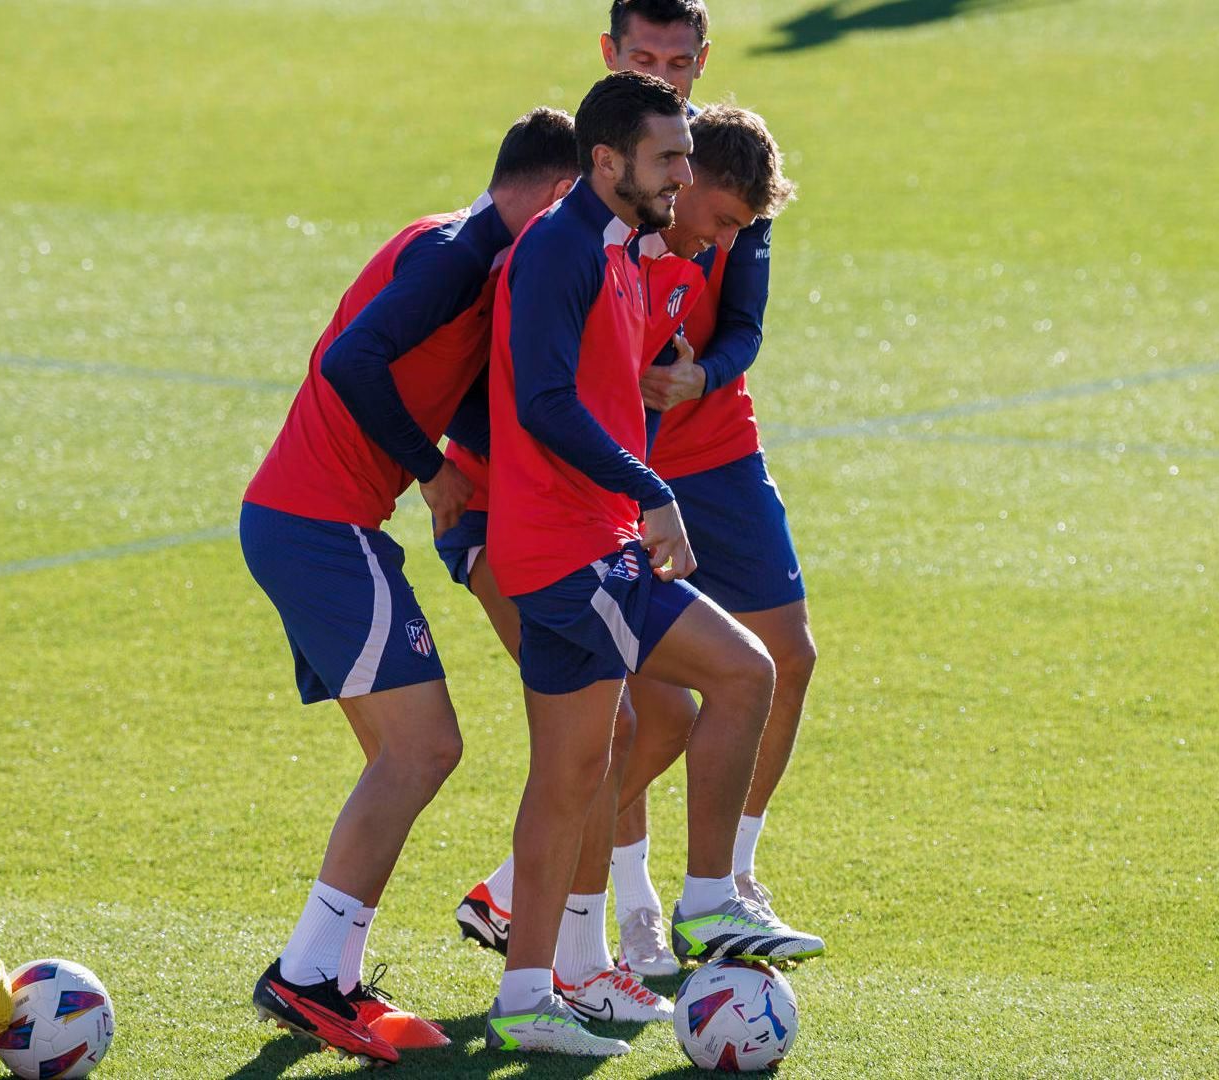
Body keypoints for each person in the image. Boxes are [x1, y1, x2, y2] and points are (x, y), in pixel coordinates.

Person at [479, 70, 817, 1059]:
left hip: (576, 543)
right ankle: (712, 901)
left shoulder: (624, 253)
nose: (683, 171)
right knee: (745, 670)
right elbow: (544, 402)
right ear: (608, 161)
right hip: (572, 548)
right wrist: (652, 491)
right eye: (670, 157)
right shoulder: (564, 251)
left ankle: (535, 992)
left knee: (574, 774)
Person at [239, 107, 578, 1066]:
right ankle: (307, 977)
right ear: (554, 194)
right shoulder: (456, 256)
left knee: (402, 754)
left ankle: (326, 975)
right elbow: (350, 362)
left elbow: (458, 386)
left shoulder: (468, 256)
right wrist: (429, 471)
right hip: (321, 530)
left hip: (307, 524)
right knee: (424, 750)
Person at [603, 0, 826, 976]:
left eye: (678, 58)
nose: (665, 72)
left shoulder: (731, 170)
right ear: (612, 57)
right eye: (644, 56)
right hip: (625, 469)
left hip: (719, 456)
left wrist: (702, 373)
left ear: (702, 61)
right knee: (642, 699)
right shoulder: (602, 177)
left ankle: (731, 878)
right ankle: (637, 904)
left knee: (788, 656)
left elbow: (744, 322)